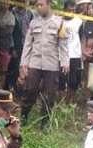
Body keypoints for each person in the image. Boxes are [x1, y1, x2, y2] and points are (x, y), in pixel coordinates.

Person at [19, 0, 69, 130]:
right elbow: (28, 44)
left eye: (42, 5)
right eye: (38, 5)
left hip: (51, 64)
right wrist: (24, 63)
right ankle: (24, 116)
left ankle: (45, 121)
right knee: (30, 90)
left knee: (50, 93)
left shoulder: (59, 23)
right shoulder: (34, 23)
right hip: (35, 62)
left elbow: (63, 45)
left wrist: (65, 62)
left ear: (49, 5)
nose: (39, 8)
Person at [60, 0, 83, 104]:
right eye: (69, 10)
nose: (71, 12)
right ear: (64, 9)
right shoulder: (58, 21)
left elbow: (82, 37)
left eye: (74, 10)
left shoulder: (79, 22)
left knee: (73, 79)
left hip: (75, 54)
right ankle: (62, 101)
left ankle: (71, 100)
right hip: (61, 54)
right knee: (61, 78)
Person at [0, 3, 17, 90]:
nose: (5, 5)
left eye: (7, 4)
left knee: (3, 70)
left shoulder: (11, 16)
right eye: (3, 3)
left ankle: (1, 90)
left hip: (5, 47)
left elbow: (8, 32)